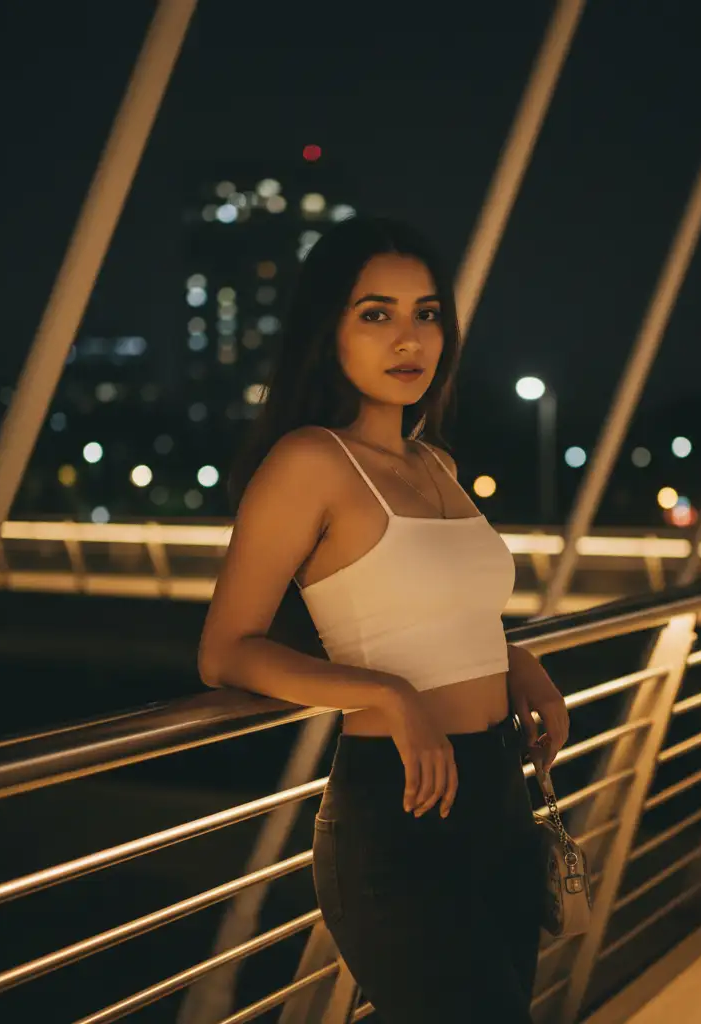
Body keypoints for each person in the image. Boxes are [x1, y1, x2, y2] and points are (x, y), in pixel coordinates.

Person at [198, 216, 570, 1023]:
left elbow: (436, 610)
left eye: (426, 313)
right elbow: (225, 651)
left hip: (499, 799)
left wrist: (514, 659)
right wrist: (389, 697)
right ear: (326, 330)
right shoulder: (311, 462)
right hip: (397, 818)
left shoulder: (435, 461)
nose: (410, 339)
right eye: (376, 314)